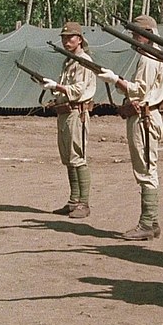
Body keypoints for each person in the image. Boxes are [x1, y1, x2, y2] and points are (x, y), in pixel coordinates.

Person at [97, 14, 163, 241]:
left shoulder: (149, 58)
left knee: (146, 171)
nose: (133, 38)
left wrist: (115, 80)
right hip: (145, 116)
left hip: (144, 119)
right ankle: (152, 221)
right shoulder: (154, 56)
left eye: (136, 34)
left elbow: (139, 91)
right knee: (146, 169)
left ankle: (147, 223)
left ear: (146, 35)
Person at [36, 21, 97, 218]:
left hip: (77, 113)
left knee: (78, 157)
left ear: (79, 39)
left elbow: (77, 90)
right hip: (65, 113)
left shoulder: (83, 61)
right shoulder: (69, 61)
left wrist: (57, 87)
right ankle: (73, 200)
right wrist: (53, 90)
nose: (66, 41)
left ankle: (84, 203)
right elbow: (65, 88)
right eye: (63, 37)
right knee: (69, 158)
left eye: (70, 37)